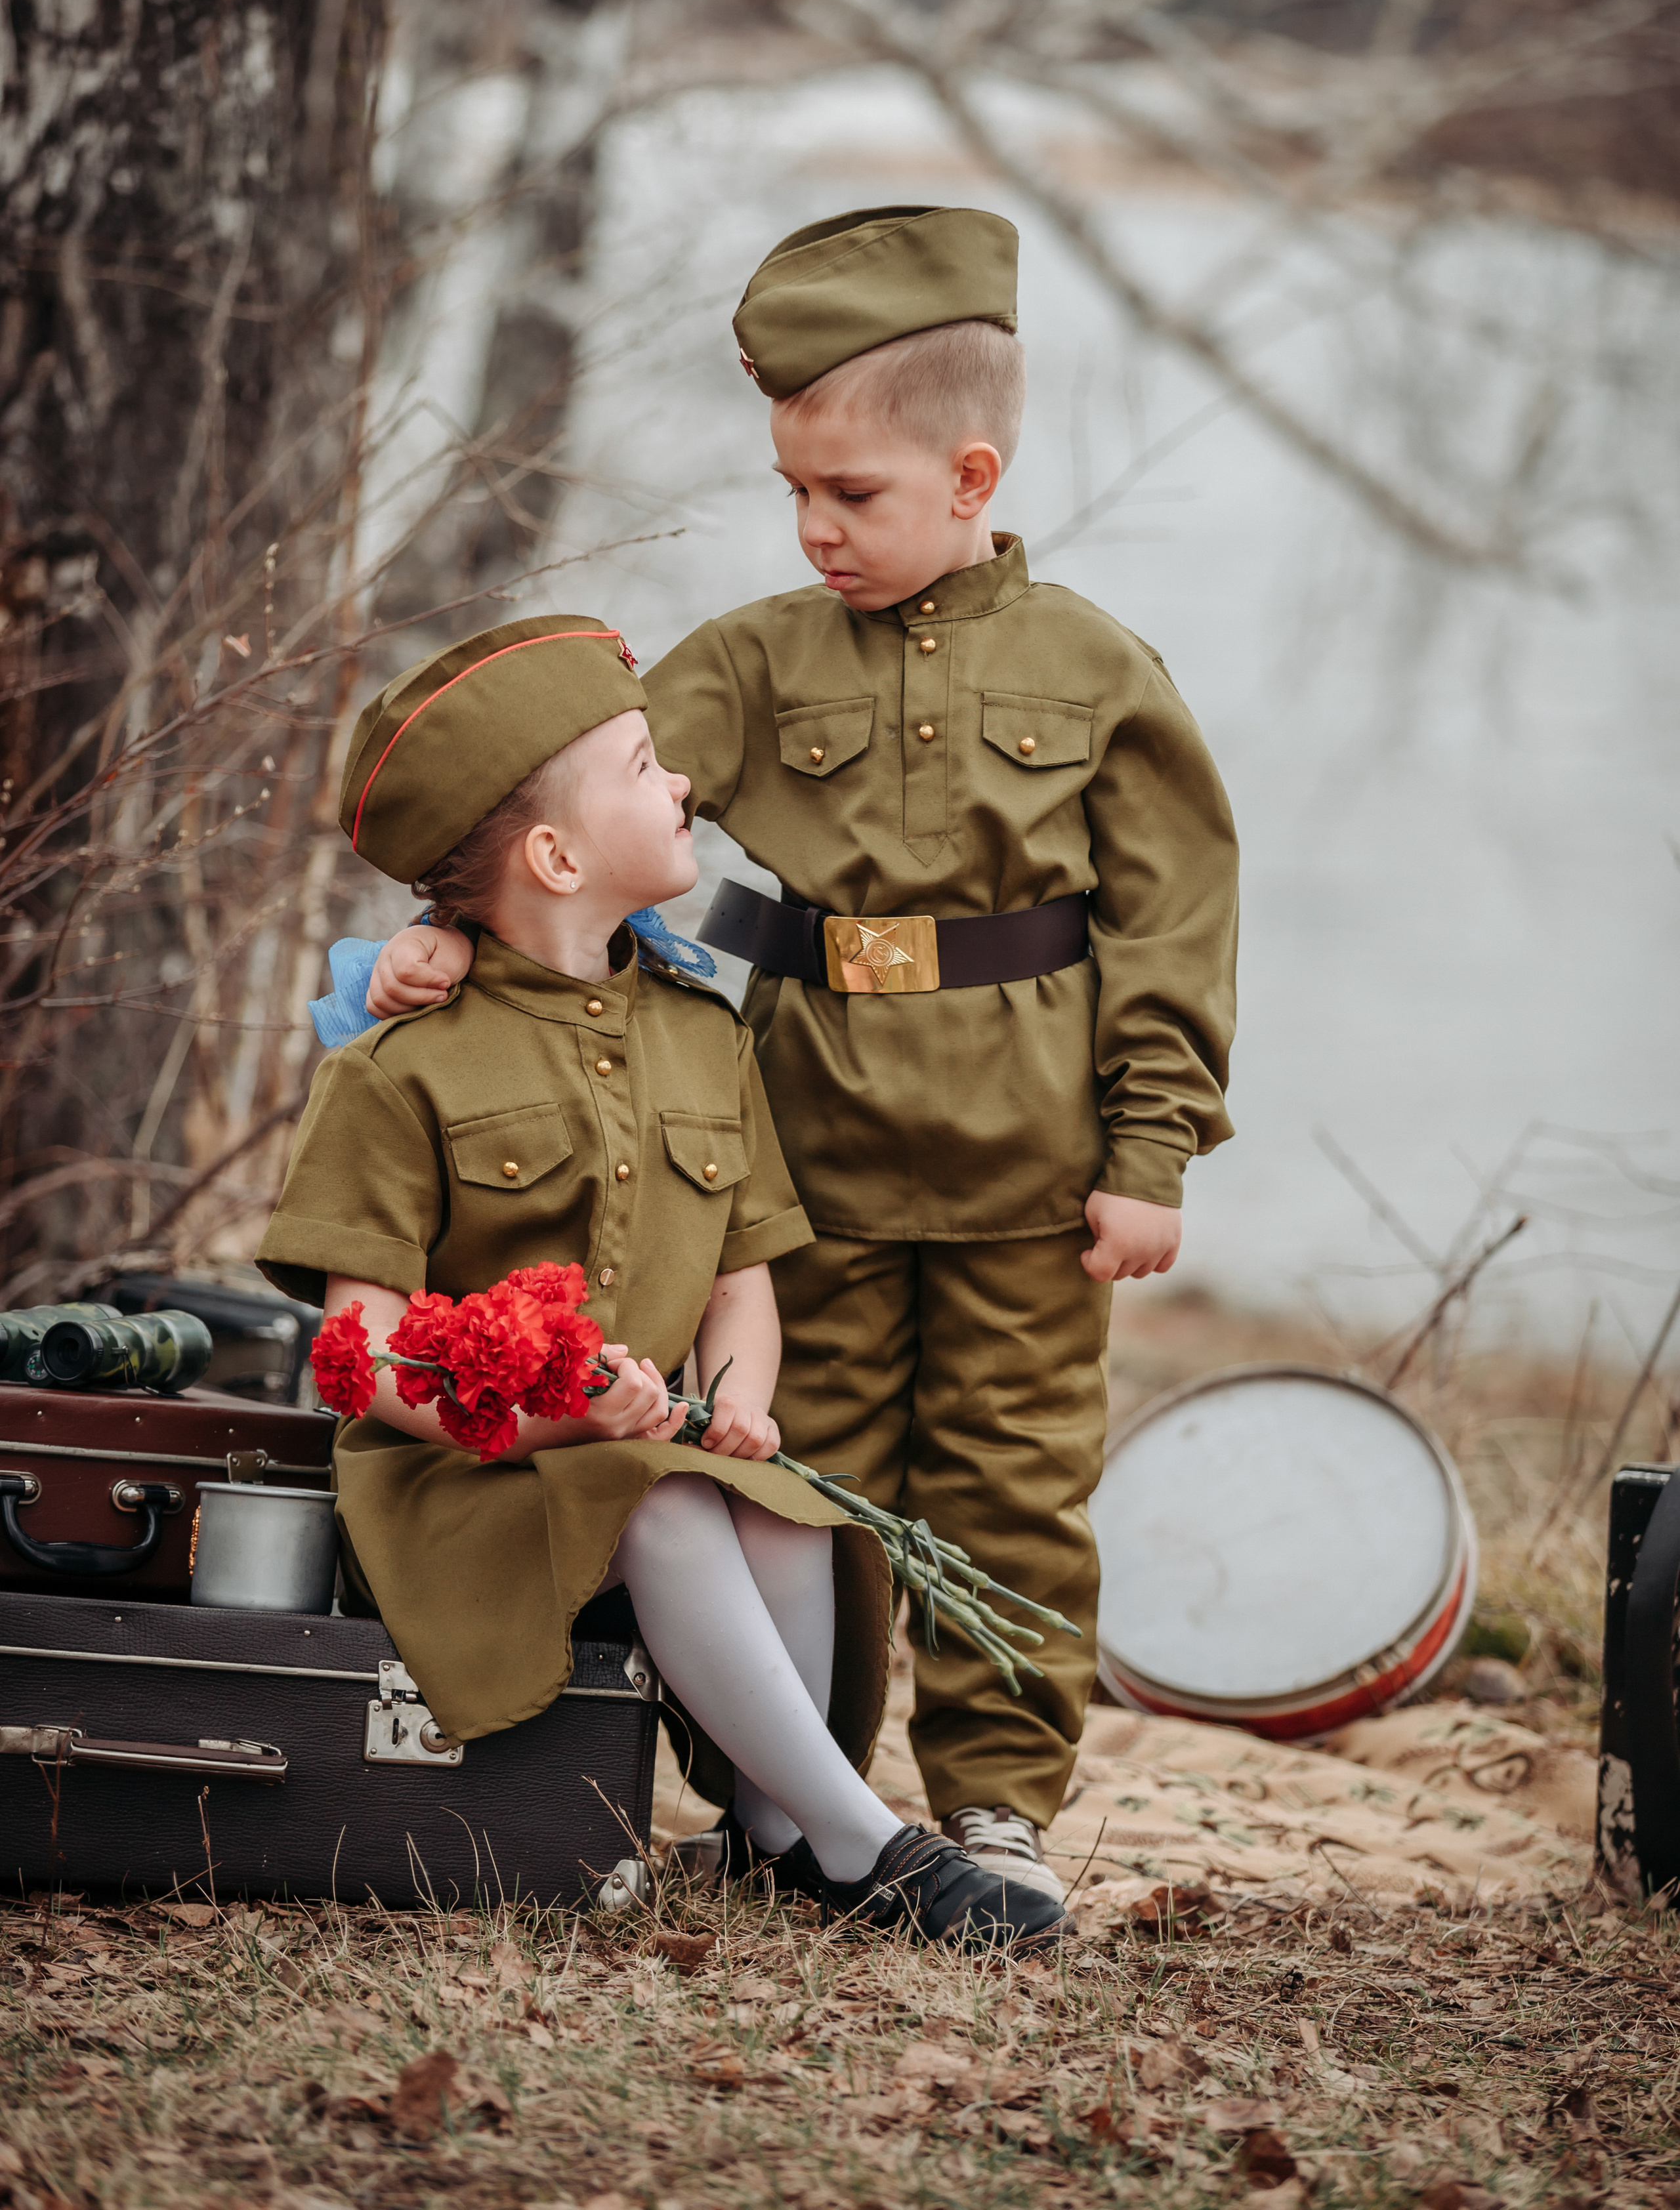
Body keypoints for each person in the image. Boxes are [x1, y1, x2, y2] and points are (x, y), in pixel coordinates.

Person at [345, 206, 1240, 1904]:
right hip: (801, 1152)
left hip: (1029, 1167)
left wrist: (1152, 1152)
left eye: (857, 496)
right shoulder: (757, 659)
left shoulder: (1100, 670)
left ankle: (994, 1810)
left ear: (971, 479)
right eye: (797, 493)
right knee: (795, 1473)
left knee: (1014, 1486)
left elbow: (1177, 918)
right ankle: (797, 1797)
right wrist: (447, 923)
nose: (817, 528)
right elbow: (578, 806)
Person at [257, 612, 1066, 1949]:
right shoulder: (396, 1068)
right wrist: (525, 1417)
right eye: (641, 766)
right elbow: (365, 1349)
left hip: (653, 1447)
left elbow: (739, 1280)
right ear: (557, 856)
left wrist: (738, 1406)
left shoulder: (701, 1034)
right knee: (674, 1514)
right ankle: (868, 1844)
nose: (680, 780)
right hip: (466, 1481)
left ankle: (776, 1831)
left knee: (782, 1507)